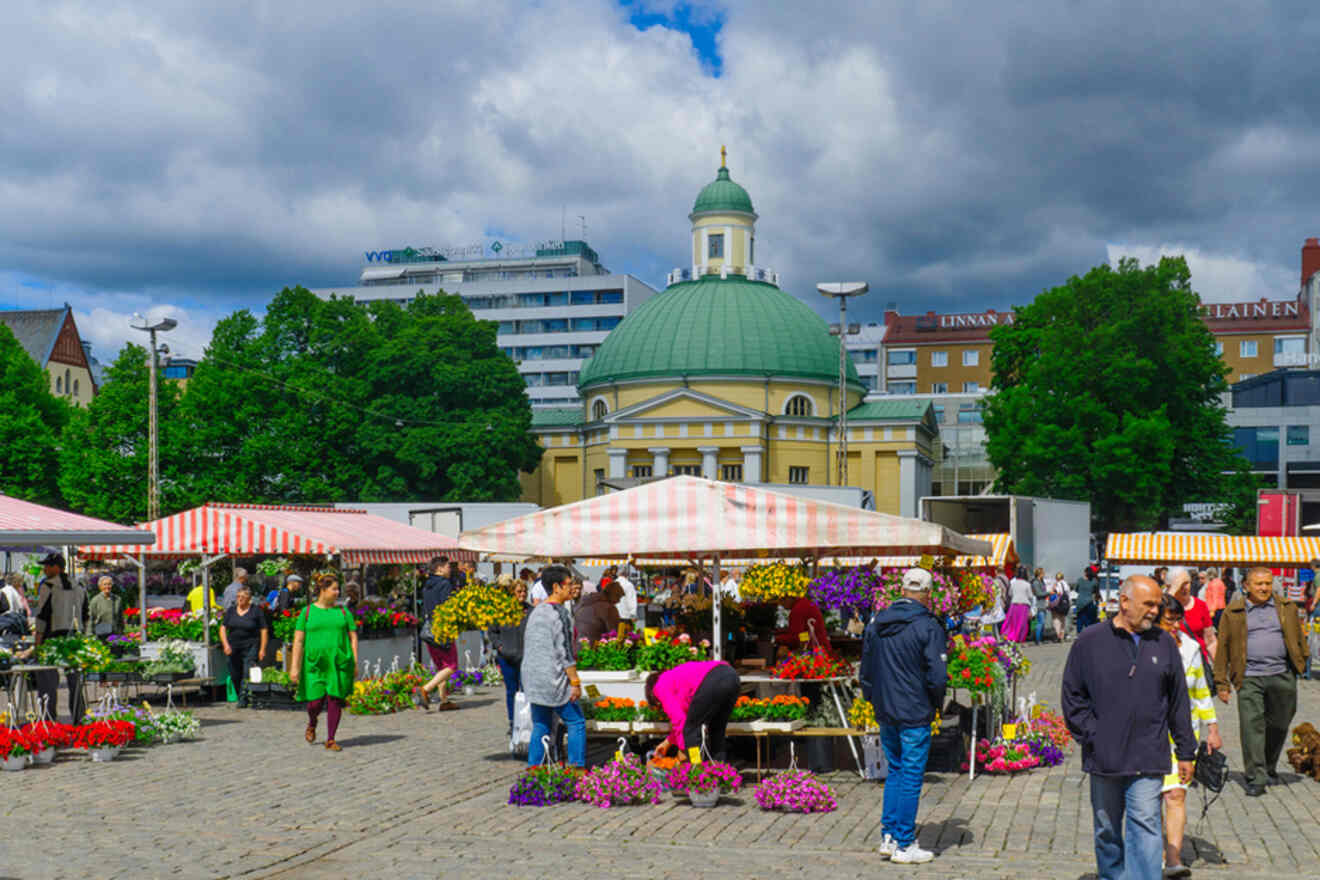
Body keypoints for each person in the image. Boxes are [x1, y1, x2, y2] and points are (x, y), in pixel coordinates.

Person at [1061, 575, 1196, 880]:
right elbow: (1072, 697)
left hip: (1149, 753)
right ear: (1124, 602)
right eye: (1148, 604)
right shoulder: (1089, 641)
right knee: (1106, 827)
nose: (1154, 611)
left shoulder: (1164, 643)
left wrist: (1186, 751)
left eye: (1157, 605)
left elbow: (1178, 702)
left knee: (1146, 824)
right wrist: (1093, 734)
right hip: (1104, 755)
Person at [859, 568, 946, 865]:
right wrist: (936, 703)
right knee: (909, 775)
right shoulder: (927, 625)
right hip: (914, 708)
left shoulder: (877, 621)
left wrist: (871, 698)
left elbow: (866, 668)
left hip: (886, 707)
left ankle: (890, 836)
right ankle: (904, 843)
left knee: (895, 770)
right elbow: (937, 674)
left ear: (903, 590)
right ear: (927, 593)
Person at [1212, 567, 1306, 796]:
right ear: (1246, 585)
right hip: (1249, 677)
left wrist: (1301, 661)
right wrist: (1221, 682)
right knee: (1252, 727)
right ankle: (1256, 776)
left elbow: (1298, 636)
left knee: (1280, 724)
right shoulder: (1232, 612)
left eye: (1267, 583)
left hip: (1282, 674)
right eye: (1259, 584)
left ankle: (1268, 764)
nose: (1264, 588)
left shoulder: (1287, 608)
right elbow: (1222, 647)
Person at [1156, 595, 1221, 879]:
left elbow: (1200, 692)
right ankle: (1151, 850)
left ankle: (1172, 858)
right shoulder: (1142, 646)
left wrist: (1213, 727)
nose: (1175, 625)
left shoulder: (1191, 648)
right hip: (1149, 732)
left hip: (1182, 735)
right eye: (1168, 619)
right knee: (1148, 796)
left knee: (1175, 794)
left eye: (1177, 619)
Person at [521, 564, 585, 768]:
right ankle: (577, 769)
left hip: (533, 677)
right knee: (576, 721)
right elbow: (564, 651)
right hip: (553, 678)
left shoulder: (536, 611)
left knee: (541, 724)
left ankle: (535, 769)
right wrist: (574, 681)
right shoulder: (559, 613)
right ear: (556, 587)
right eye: (568, 584)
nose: (571, 588)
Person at [290, 574, 359, 751]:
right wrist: (294, 666)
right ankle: (312, 722)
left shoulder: (343, 612)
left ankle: (331, 739)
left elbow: (353, 637)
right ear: (323, 590)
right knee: (315, 702)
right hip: (315, 663)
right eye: (334, 589)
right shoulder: (307, 613)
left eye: (338, 589)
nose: (337, 593)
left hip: (339, 663)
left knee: (335, 700)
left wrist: (355, 661)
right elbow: (298, 641)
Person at [645, 659, 740, 762]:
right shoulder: (674, 679)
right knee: (716, 731)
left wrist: (683, 750)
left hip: (713, 680)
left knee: (691, 731)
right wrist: (667, 742)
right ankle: (720, 772)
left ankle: (696, 768)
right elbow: (685, 720)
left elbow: (680, 721)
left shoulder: (660, 687)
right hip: (731, 676)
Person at [33, 552, 88, 723]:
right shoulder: (79, 585)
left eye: (47, 566)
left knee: (48, 685)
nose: (44, 569)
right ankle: (79, 721)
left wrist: (37, 643)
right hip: (74, 639)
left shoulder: (47, 586)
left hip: (51, 639)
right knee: (76, 684)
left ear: (56, 567)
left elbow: (42, 615)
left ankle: (49, 722)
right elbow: (86, 614)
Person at [488, 575, 531, 734]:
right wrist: (499, 646)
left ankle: (526, 720)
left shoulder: (530, 610)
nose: (522, 594)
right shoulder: (502, 611)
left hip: (526, 657)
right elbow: (492, 632)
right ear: (512, 592)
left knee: (527, 690)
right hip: (507, 657)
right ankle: (513, 721)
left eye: (525, 591)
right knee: (511, 691)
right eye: (519, 591)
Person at [416, 557, 459, 712]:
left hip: (429, 630)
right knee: (452, 665)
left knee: (441, 666)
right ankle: (425, 689)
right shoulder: (445, 584)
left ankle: (444, 700)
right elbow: (447, 607)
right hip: (442, 629)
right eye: (448, 566)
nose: (450, 569)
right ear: (439, 569)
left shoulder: (427, 585)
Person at [219, 583, 270, 708]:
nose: (239, 599)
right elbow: (223, 628)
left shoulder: (256, 611)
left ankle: (243, 698)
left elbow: (264, 630)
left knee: (247, 671)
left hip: (250, 645)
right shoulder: (231, 611)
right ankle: (240, 694)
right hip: (233, 646)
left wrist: (262, 649)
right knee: (234, 673)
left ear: (249, 598)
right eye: (238, 597)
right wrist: (225, 645)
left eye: (242, 597)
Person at [1164, 566, 1218, 661]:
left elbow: (1211, 641)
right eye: (1180, 584)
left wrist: (1218, 670)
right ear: (1169, 587)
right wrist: (1172, 591)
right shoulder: (1164, 608)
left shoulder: (1200, 606)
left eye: (1187, 583)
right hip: (1172, 660)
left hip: (1197, 663)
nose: (1184, 587)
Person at [1001, 566, 1034, 643]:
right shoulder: (1027, 584)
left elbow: (1010, 594)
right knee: (1022, 623)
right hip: (1024, 605)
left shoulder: (1013, 583)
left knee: (1013, 622)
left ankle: (1010, 636)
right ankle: (1020, 638)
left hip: (1014, 604)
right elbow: (1030, 596)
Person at [1047, 571, 1070, 642]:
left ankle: (1058, 635)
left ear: (1057, 578)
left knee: (1056, 620)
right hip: (1065, 604)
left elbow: (1054, 592)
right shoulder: (1066, 584)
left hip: (1057, 604)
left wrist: (1053, 587)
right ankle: (1062, 634)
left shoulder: (1057, 584)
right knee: (1063, 620)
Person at [1031, 567, 1049, 645]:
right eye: (1043, 573)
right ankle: (1038, 640)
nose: (1044, 574)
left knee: (1042, 622)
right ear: (1039, 574)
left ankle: (1040, 638)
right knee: (1040, 622)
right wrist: (1048, 593)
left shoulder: (1041, 582)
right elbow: (1039, 593)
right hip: (1039, 605)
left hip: (1043, 604)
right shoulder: (1036, 582)